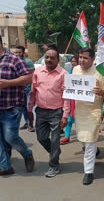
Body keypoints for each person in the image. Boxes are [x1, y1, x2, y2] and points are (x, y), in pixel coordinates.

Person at [0, 31, 34, 177]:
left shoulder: (14, 59)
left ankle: (27, 153)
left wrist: (8, 83)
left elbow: (29, 77)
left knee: (10, 137)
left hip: (10, 108)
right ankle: (5, 167)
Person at [28, 47, 69, 177]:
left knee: (55, 139)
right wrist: (30, 109)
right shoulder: (37, 72)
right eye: (47, 57)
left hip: (56, 112)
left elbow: (66, 96)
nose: (49, 60)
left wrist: (65, 115)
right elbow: (33, 92)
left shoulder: (63, 74)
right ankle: (55, 151)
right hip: (40, 111)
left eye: (52, 58)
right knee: (41, 138)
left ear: (58, 60)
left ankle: (54, 166)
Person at [72, 47, 104, 185]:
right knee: (83, 139)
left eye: (85, 58)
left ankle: (88, 172)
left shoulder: (100, 73)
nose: (82, 60)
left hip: (94, 112)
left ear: (92, 59)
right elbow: (71, 87)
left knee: (90, 140)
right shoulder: (75, 70)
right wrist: (66, 88)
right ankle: (95, 151)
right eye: (80, 57)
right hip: (80, 111)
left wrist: (102, 92)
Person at [14, 46, 35, 132]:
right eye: (16, 52)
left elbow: (32, 75)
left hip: (28, 88)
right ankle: (26, 122)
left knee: (28, 106)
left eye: (19, 52)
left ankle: (31, 124)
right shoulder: (13, 62)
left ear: (23, 53)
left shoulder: (28, 62)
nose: (17, 54)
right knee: (22, 108)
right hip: (19, 89)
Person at [60, 55, 79, 145]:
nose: (73, 63)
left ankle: (84, 141)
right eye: (72, 61)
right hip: (71, 99)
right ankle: (67, 136)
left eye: (75, 61)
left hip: (80, 100)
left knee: (80, 121)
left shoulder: (82, 72)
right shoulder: (69, 71)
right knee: (69, 119)